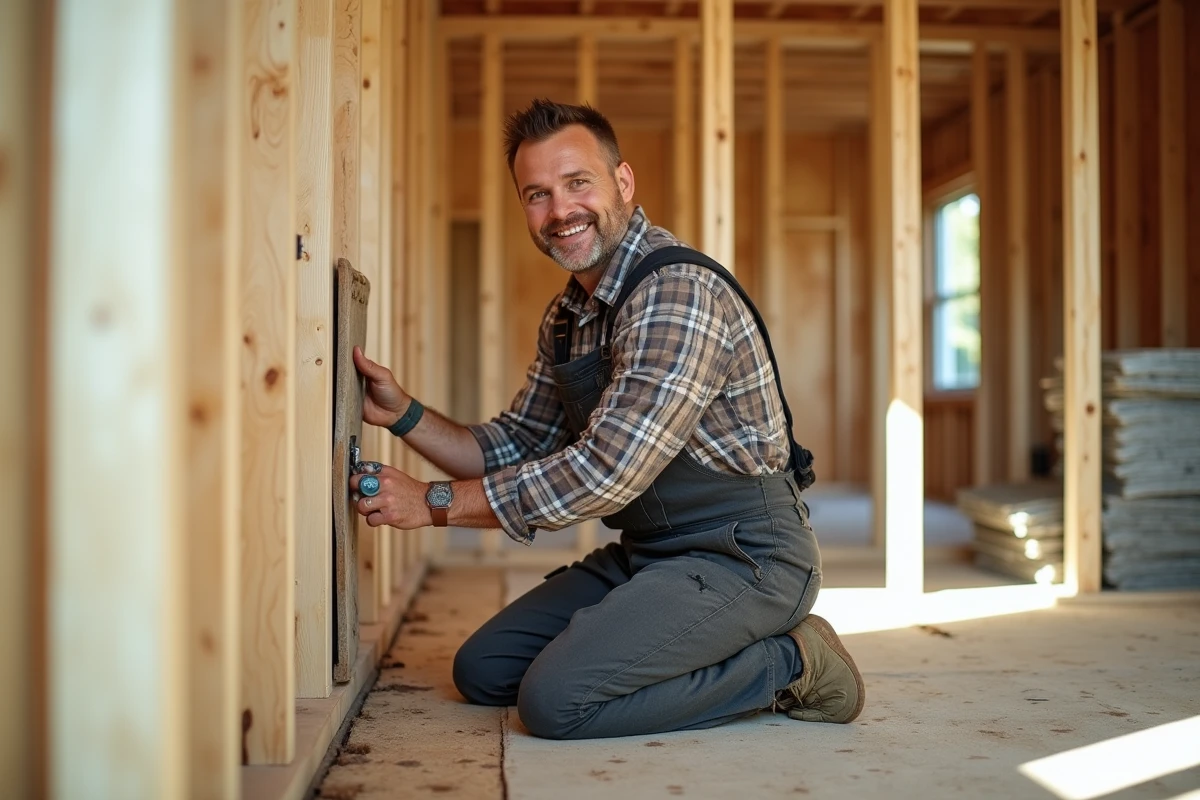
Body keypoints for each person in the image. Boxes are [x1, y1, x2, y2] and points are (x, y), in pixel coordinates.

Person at [349, 99, 864, 740]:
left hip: (747, 558)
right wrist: (404, 416)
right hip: (649, 555)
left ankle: (793, 662)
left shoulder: (675, 294)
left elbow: (609, 472)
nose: (560, 211)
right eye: (537, 194)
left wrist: (433, 502)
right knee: (484, 670)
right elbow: (514, 446)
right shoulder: (568, 317)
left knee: (558, 703)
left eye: (577, 183)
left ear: (623, 182)